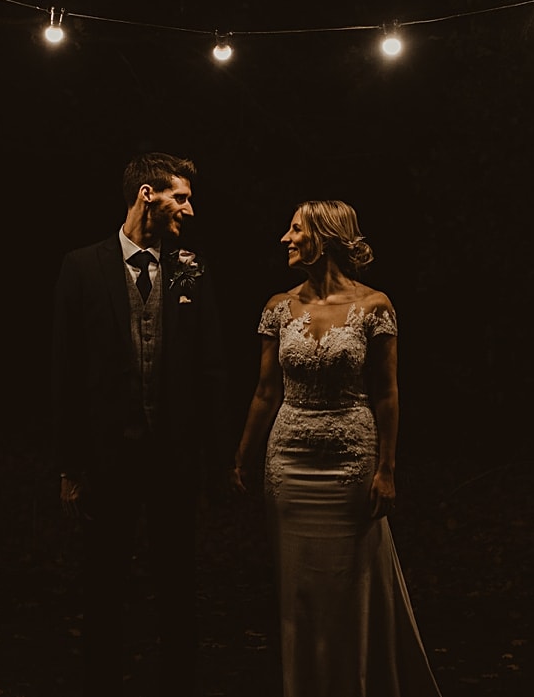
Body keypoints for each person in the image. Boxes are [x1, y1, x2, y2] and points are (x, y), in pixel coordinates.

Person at [232, 200, 442, 696]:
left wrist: (386, 468)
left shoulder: (375, 306)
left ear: (323, 238)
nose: (285, 238)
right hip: (288, 461)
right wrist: (242, 456)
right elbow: (265, 392)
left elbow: (387, 393)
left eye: (295, 229)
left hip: (352, 460)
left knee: (350, 583)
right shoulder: (277, 307)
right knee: (297, 588)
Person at [51, 152, 229, 696]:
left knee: (178, 580)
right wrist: (70, 466)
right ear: (147, 195)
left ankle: (180, 683)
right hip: (109, 457)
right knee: (104, 582)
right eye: (181, 197)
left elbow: (210, 369)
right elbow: (65, 372)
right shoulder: (82, 266)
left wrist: (215, 463)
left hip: (173, 457)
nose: (190, 209)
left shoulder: (191, 268)